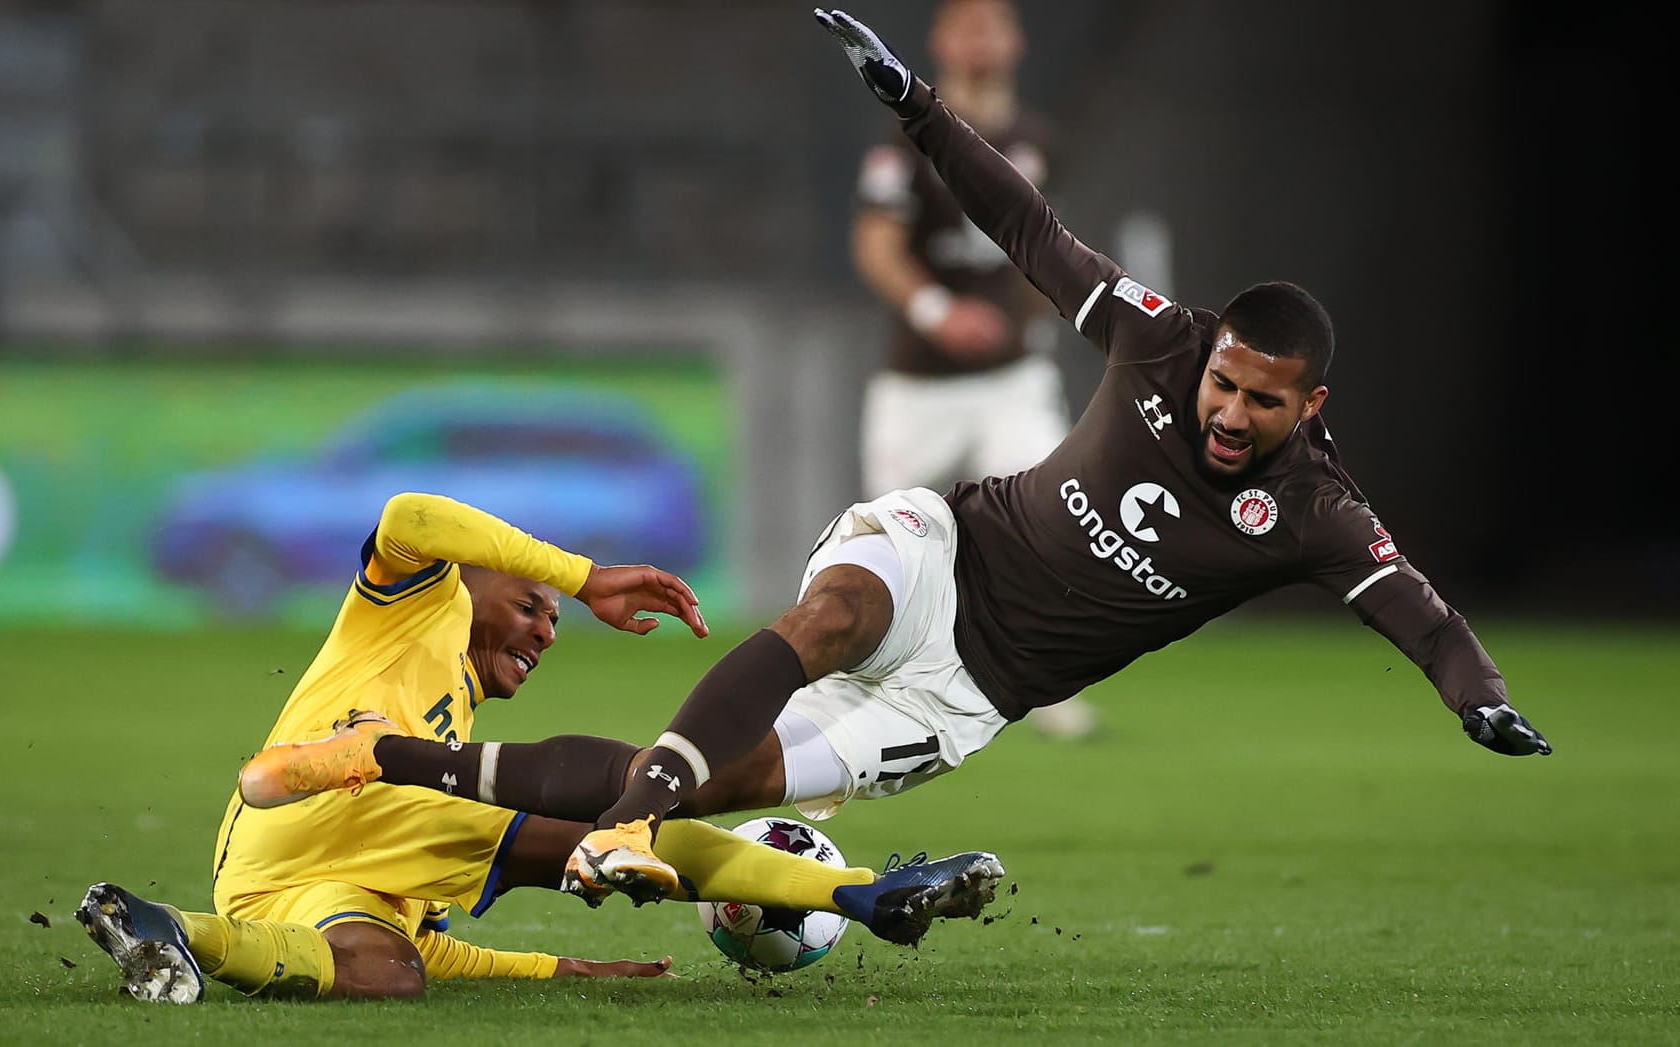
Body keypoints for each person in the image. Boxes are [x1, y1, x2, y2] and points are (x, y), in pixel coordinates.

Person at [238, 8, 1553, 912]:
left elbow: (1414, 604)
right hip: (949, 548)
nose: (1225, 409)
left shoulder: (1317, 508)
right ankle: (630, 830)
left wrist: (1476, 693)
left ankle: (382, 759)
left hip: (975, 689)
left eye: (1259, 402)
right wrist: (917, 107)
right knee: (826, 612)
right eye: (1224, 382)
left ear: (1305, 402)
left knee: (736, 772)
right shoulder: (1164, 337)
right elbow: (1030, 227)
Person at [75, 491, 1004, 1003]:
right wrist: (581, 572)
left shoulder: (460, 715)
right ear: (476, 581)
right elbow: (408, 516)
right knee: (611, 801)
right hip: (300, 814)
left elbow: (441, 950)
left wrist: (555, 968)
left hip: (304, 883)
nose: (548, 629)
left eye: (555, 618)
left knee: (396, 970)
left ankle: (175, 933)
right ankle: (859, 892)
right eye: (531, 605)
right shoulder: (410, 605)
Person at [849, 0, 1098, 741]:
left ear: (1016, 42)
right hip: (918, 381)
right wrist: (936, 311)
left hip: (1011, 380)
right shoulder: (902, 133)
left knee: (1048, 524)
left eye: (995, 26)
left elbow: (1049, 244)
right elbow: (875, 244)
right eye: (969, 26)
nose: (982, 41)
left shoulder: (1038, 141)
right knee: (888, 541)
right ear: (941, 41)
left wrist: (1039, 310)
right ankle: (870, 681)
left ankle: (1046, 686)